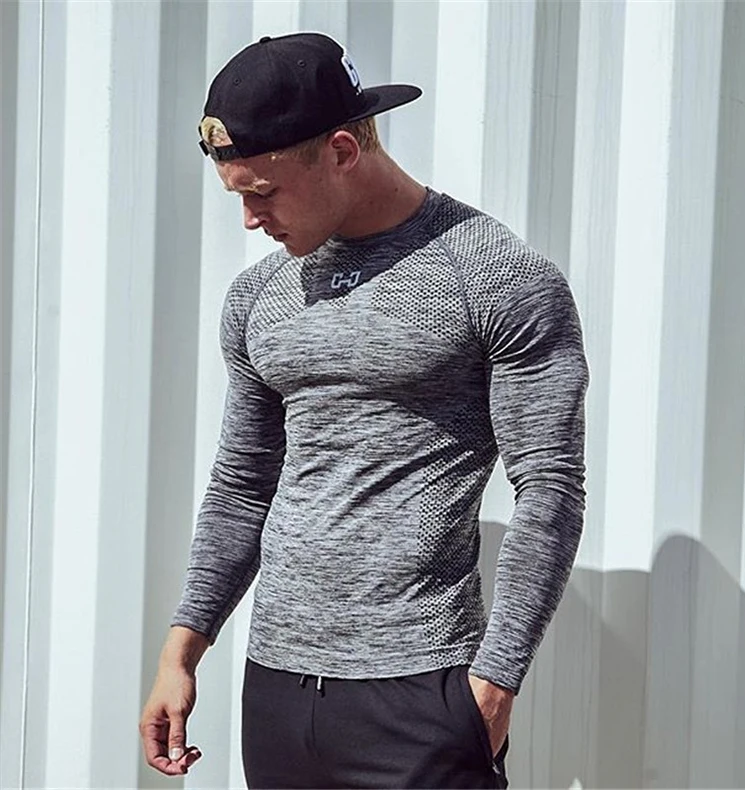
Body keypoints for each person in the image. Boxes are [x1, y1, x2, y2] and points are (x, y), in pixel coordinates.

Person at [139, 31, 589, 790]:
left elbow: (549, 487)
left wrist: (493, 687)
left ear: (343, 151)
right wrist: (180, 653)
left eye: (262, 192)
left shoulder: (496, 277)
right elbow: (243, 485)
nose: (250, 219)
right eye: (238, 195)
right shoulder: (259, 296)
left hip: (422, 690)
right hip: (277, 687)